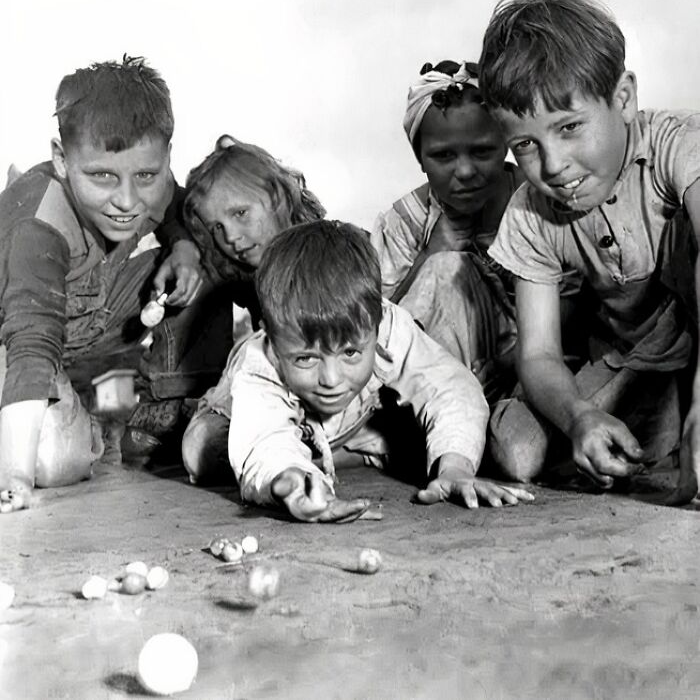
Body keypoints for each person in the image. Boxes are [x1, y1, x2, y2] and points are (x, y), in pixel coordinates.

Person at [478, 0, 699, 501]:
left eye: (570, 127)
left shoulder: (679, 147)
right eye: (526, 146)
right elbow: (537, 354)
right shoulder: (530, 213)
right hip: (638, 363)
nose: (552, 165)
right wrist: (580, 417)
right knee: (518, 452)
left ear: (623, 98)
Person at [0, 56, 221, 512]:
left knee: (210, 247)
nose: (126, 201)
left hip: (84, 321)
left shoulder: (150, 185)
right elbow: (31, 343)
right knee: (53, 462)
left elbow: (179, 204)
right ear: (62, 160)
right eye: (101, 176)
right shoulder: (36, 226)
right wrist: (15, 477)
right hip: (17, 342)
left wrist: (183, 248)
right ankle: (81, 428)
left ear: (163, 161)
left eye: (145, 175)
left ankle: (175, 409)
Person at [218, 220, 534, 522]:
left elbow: (451, 388)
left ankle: (345, 446)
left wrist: (455, 467)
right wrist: (292, 482)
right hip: (250, 407)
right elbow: (263, 441)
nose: (331, 379)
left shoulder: (388, 324)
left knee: (415, 432)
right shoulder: (259, 362)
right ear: (272, 338)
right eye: (306, 359)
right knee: (203, 452)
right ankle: (295, 446)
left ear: (376, 323)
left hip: (355, 418)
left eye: (351, 353)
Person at [371, 60, 524, 402]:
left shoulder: (534, 203)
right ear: (420, 158)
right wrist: (431, 253)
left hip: (524, 366)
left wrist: (507, 362)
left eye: (482, 151)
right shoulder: (404, 222)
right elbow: (372, 330)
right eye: (443, 156)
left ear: (506, 143)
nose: (466, 171)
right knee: (443, 270)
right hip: (422, 383)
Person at [180, 136, 325, 482]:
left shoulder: (323, 252)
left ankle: (323, 448)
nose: (230, 237)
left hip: (334, 389)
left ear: (277, 196)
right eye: (217, 227)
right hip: (281, 396)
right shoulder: (247, 274)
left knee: (205, 445)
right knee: (200, 448)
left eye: (240, 213)